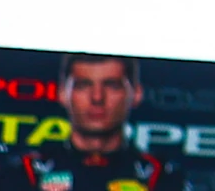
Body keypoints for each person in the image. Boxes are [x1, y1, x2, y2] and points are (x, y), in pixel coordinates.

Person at [21, 54, 177, 191]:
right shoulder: (27, 172)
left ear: (136, 94)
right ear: (62, 94)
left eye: (112, 85)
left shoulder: (161, 176)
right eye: (83, 85)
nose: (97, 98)